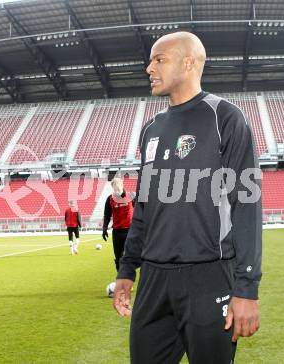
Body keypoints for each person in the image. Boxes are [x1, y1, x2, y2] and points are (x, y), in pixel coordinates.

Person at [113, 32, 262, 364]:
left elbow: (246, 206)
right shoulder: (151, 129)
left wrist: (247, 288)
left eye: (159, 59)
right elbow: (144, 208)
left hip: (208, 278)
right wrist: (127, 270)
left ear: (189, 62)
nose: (148, 67)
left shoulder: (225, 118)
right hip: (153, 280)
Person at [102, 177, 135, 271]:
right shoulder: (110, 199)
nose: (117, 192)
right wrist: (104, 228)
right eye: (115, 190)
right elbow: (107, 215)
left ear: (122, 186)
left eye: (118, 189)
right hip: (117, 232)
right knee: (118, 258)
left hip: (130, 231)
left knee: (131, 256)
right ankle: (120, 277)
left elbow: (141, 210)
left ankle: (129, 277)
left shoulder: (132, 195)